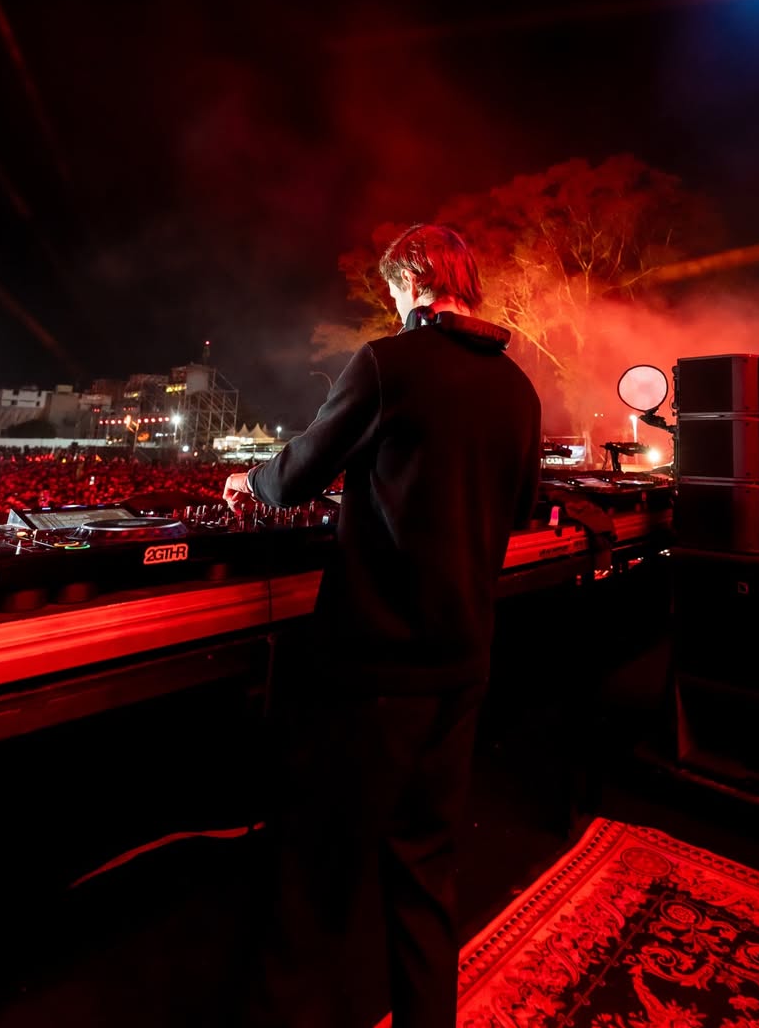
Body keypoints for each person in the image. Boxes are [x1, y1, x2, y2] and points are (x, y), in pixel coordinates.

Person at [223, 224, 541, 1028]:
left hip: (374, 667)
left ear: (413, 280)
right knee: (425, 871)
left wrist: (248, 480)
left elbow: (296, 475)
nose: (393, 303)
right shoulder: (518, 387)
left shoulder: (388, 363)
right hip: (465, 663)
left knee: (317, 873)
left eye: (394, 289)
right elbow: (518, 506)